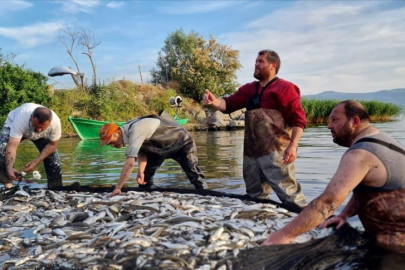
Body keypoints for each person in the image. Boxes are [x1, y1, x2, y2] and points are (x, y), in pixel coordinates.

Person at [262, 100, 405, 252]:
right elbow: (368, 188)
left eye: (335, 120)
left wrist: (282, 235)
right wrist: (344, 215)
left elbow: (327, 202)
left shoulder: (360, 154)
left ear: (354, 121)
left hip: (396, 247)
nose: (329, 125)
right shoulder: (385, 141)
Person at [204, 49, 307, 208]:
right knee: (255, 196)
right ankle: (259, 223)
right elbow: (228, 104)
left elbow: (299, 120)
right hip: (251, 154)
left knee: (289, 194)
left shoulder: (285, 88)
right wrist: (214, 101)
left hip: (276, 153)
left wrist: (293, 146)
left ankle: (306, 222)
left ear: (273, 65)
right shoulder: (249, 89)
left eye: (260, 62)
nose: (256, 64)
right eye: (256, 61)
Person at [100, 110, 208, 197]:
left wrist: (118, 187)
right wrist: (140, 171)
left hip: (181, 142)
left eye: (111, 142)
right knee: (144, 181)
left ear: (117, 132)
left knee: (194, 174)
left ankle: (205, 193)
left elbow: (130, 162)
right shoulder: (128, 131)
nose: (112, 146)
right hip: (158, 148)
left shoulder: (136, 129)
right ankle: (152, 195)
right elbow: (142, 152)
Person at [0, 103, 63, 189]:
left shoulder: (55, 123)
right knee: (3, 148)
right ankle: (8, 185)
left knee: (52, 158)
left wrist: (36, 162)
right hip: (16, 125)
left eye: (42, 127)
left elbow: (52, 145)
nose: (38, 130)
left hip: (43, 135)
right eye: (36, 126)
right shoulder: (21, 119)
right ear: (31, 117)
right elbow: (12, 146)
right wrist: (10, 168)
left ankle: (55, 187)